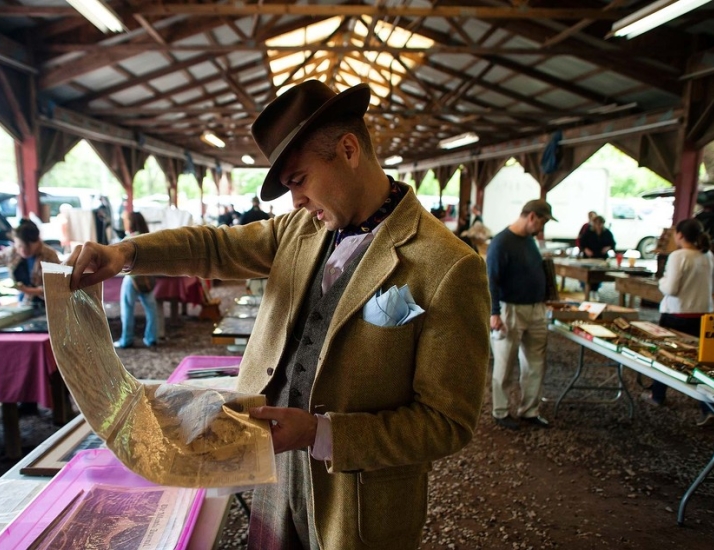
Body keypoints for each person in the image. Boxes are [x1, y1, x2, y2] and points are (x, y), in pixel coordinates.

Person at [67, 80, 491, 550]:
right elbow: (215, 245)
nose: (295, 202)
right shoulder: (300, 229)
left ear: (348, 150)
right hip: (274, 474)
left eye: (299, 180)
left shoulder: (449, 265)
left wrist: (321, 432)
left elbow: (446, 421)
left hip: (360, 501)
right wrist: (125, 254)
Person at [487, 199, 556, 430]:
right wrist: (494, 312)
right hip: (510, 309)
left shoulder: (529, 241)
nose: (542, 228)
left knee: (536, 362)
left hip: (536, 308)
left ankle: (530, 410)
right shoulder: (501, 242)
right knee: (505, 362)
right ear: (532, 217)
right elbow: (491, 281)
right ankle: (501, 410)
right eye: (543, 222)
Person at [642, 218, 714, 426]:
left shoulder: (678, 256)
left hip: (677, 313)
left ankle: (657, 395)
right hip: (703, 315)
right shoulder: (708, 256)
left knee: (664, 355)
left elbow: (671, 289)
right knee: (700, 361)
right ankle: (708, 406)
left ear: (680, 235)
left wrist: (661, 282)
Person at [0, 218, 60, 308]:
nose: (23, 250)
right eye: (20, 246)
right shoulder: (13, 252)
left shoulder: (49, 255)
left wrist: (28, 290)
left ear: (38, 240)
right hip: (24, 303)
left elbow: (56, 287)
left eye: (28, 246)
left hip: (47, 305)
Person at [114, 211, 159, 350]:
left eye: (126, 220)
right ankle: (151, 338)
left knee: (127, 309)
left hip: (131, 279)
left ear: (131, 222)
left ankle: (126, 339)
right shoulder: (148, 237)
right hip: (147, 278)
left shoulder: (129, 239)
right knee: (151, 310)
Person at [579, 215, 616, 299]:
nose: (599, 226)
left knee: (598, 275)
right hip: (589, 257)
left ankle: (595, 290)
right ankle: (587, 289)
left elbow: (613, 243)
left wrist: (608, 248)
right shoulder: (589, 232)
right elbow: (582, 243)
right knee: (587, 274)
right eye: (597, 224)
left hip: (601, 257)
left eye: (600, 224)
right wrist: (586, 249)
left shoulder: (607, 233)